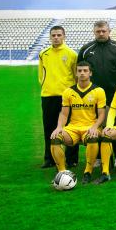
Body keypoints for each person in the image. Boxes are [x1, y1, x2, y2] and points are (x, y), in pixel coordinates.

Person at [78, 20, 116, 165]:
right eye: (98, 31)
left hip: (114, 94)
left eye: (103, 31)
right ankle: (99, 157)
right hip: (93, 95)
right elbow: (80, 69)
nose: (101, 34)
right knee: (97, 124)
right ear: (94, 32)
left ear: (109, 31)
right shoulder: (86, 49)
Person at [49, 61, 106, 184]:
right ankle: (62, 172)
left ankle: (88, 172)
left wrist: (95, 127)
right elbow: (64, 114)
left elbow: (102, 114)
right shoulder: (68, 91)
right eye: (79, 71)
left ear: (90, 73)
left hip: (90, 127)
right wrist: (59, 127)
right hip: (73, 128)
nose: (82, 73)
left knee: (92, 137)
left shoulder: (99, 91)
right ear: (76, 73)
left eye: (85, 71)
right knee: (55, 138)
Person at [39, 25, 78, 168]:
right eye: (53, 35)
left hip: (67, 97)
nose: (56, 37)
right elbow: (41, 74)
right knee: (49, 128)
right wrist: (46, 86)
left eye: (59, 35)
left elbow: (75, 75)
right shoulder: (43, 54)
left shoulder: (72, 54)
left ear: (64, 36)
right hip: (48, 96)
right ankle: (49, 158)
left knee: (70, 128)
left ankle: (71, 159)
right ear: (50, 37)